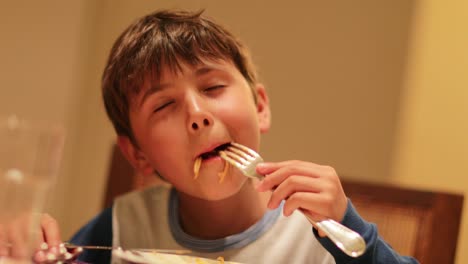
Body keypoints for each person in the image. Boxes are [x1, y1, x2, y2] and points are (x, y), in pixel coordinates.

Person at [10, 9, 419, 264]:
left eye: (212, 88)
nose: (198, 115)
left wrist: (354, 232)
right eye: (163, 106)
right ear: (137, 154)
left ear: (260, 107)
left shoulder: (320, 232)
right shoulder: (124, 227)